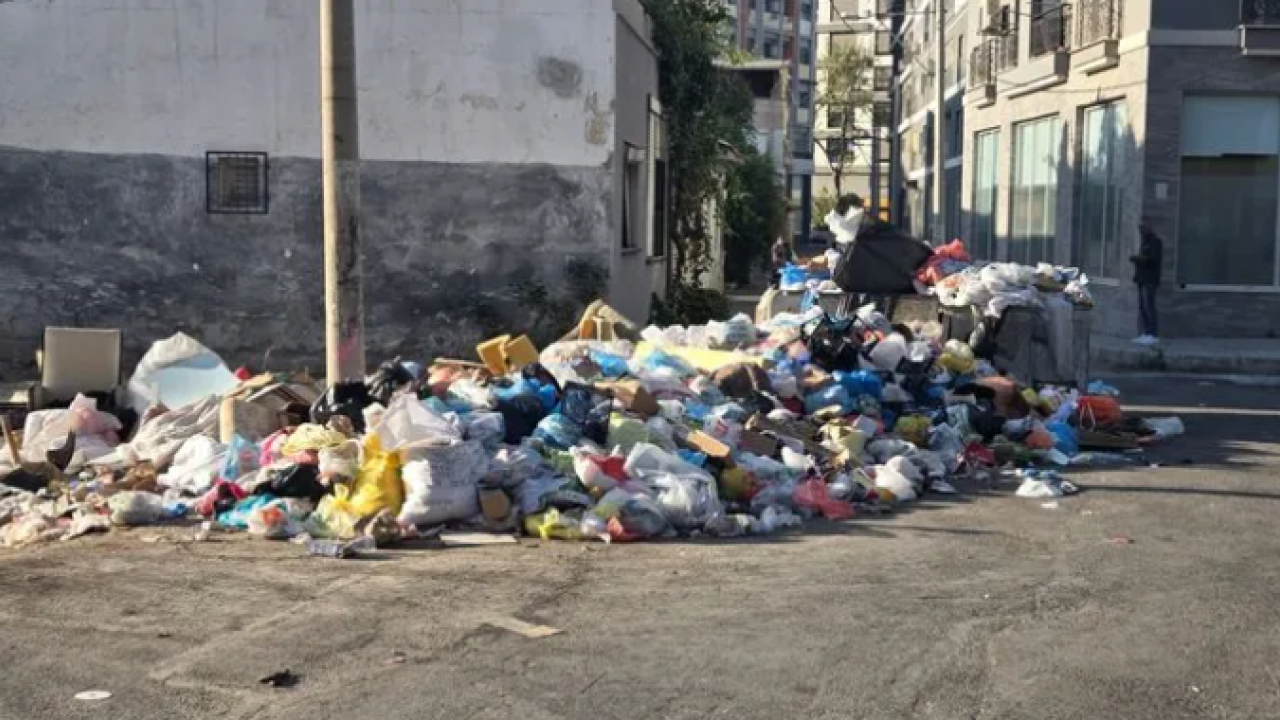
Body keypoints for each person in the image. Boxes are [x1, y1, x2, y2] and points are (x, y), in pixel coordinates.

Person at [1130, 218, 1163, 345]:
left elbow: (1152, 259)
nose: (1141, 230)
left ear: (1149, 227)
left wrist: (1138, 259)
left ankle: (1153, 334)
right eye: (1139, 228)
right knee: (1142, 306)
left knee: (1150, 307)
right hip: (1142, 279)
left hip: (1150, 280)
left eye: (1143, 227)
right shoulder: (1144, 242)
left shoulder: (1155, 242)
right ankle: (1146, 332)